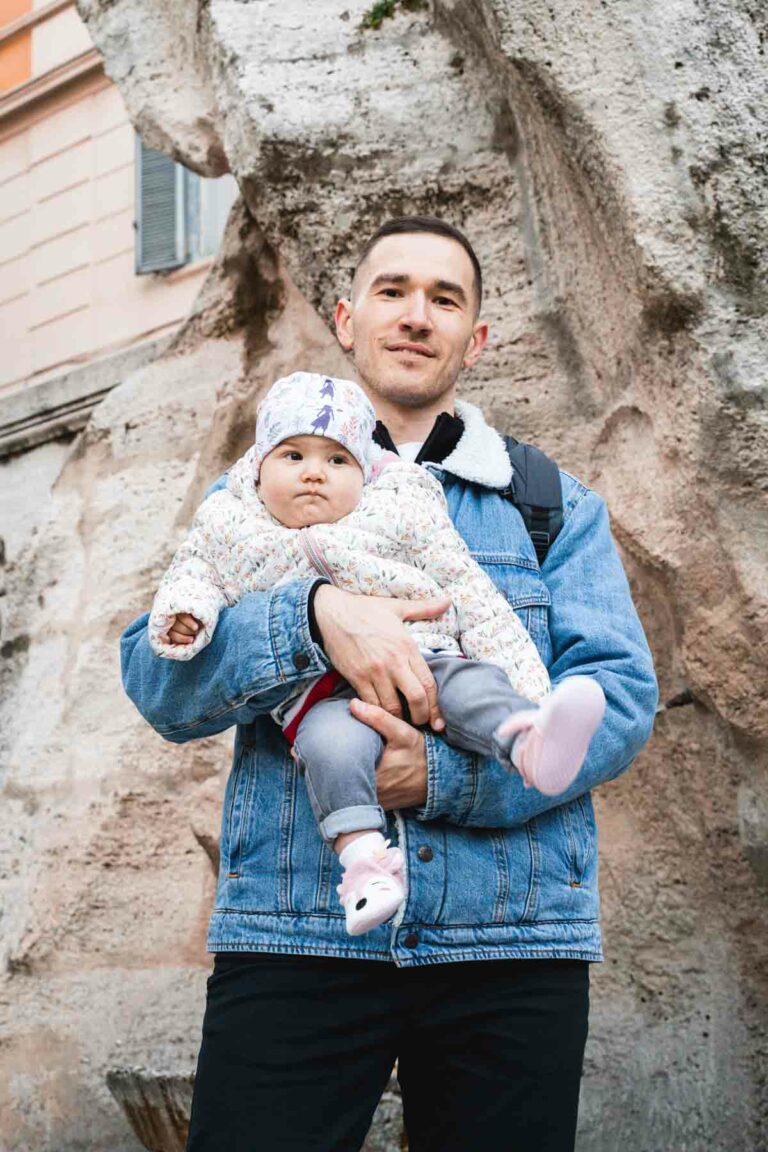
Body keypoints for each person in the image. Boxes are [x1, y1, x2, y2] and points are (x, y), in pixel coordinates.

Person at [121, 216, 658, 1151]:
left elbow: (618, 696)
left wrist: (441, 781)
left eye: (445, 300)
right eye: (393, 291)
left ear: (476, 337)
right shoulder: (253, 493)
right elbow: (159, 684)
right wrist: (313, 614)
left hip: (510, 943)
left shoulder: (549, 505)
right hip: (300, 933)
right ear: (347, 317)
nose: (417, 316)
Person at [146, 371, 606, 935]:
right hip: (319, 697)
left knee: (477, 687)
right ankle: (364, 865)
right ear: (257, 468)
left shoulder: (404, 510)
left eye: (338, 461)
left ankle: (527, 741)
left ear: (365, 473)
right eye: (292, 455)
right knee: (330, 748)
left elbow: (473, 597)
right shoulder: (229, 520)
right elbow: (191, 577)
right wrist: (193, 615)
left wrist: (519, 703)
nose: (315, 471)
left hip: (428, 662)